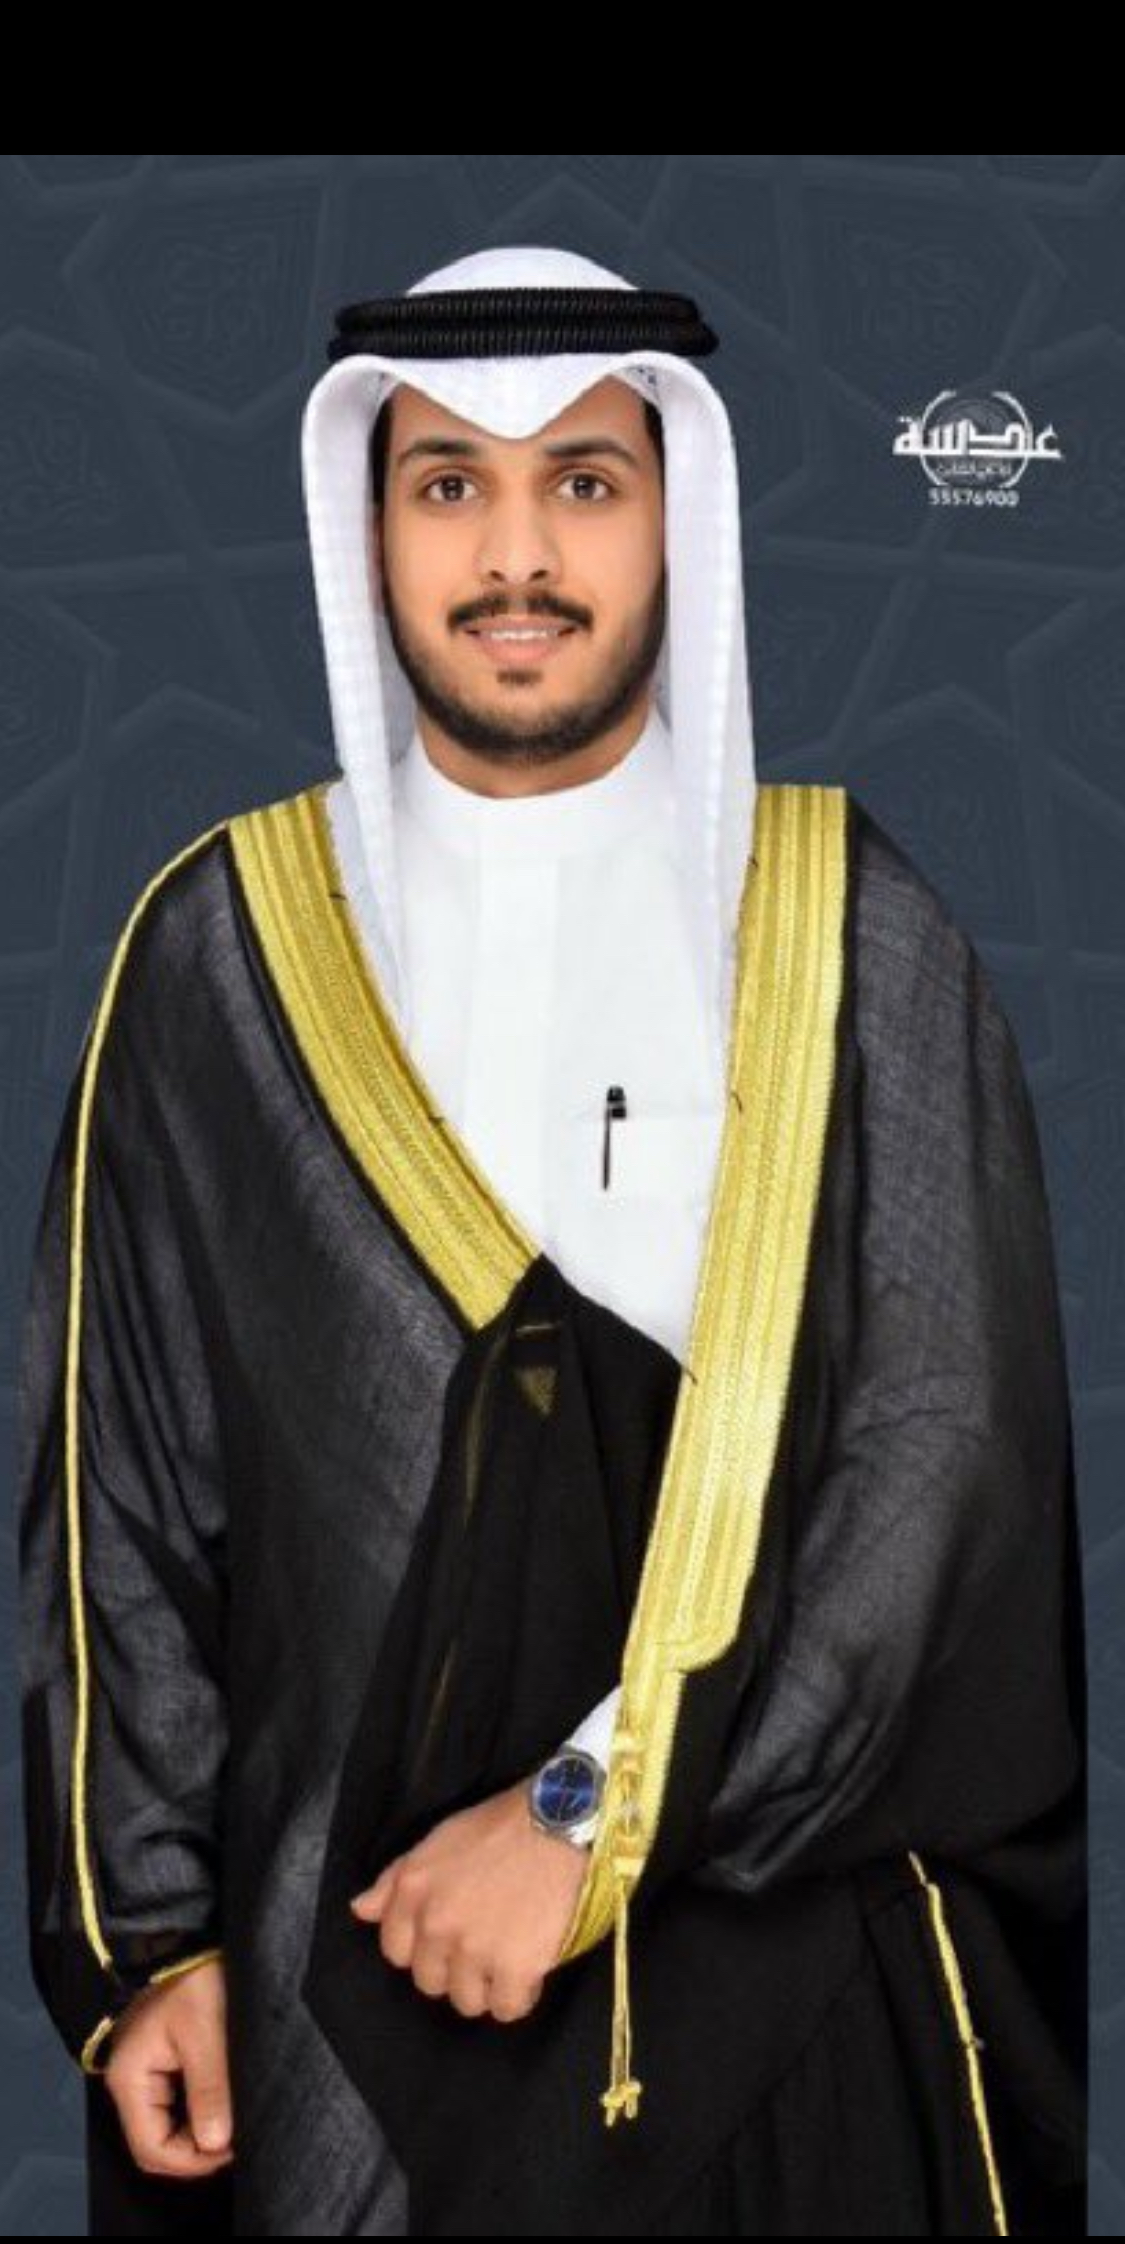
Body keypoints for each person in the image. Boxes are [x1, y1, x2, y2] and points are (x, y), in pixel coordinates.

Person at [16, 244, 1087, 2236]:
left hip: (782, 1992)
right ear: (368, 524)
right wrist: (153, 1939)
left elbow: (938, 1470)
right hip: (331, 2015)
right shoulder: (222, 948)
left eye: (583, 482)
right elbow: (121, 1494)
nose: (517, 555)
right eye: (450, 485)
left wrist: (585, 1814)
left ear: (679, 511)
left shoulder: (845, 928)